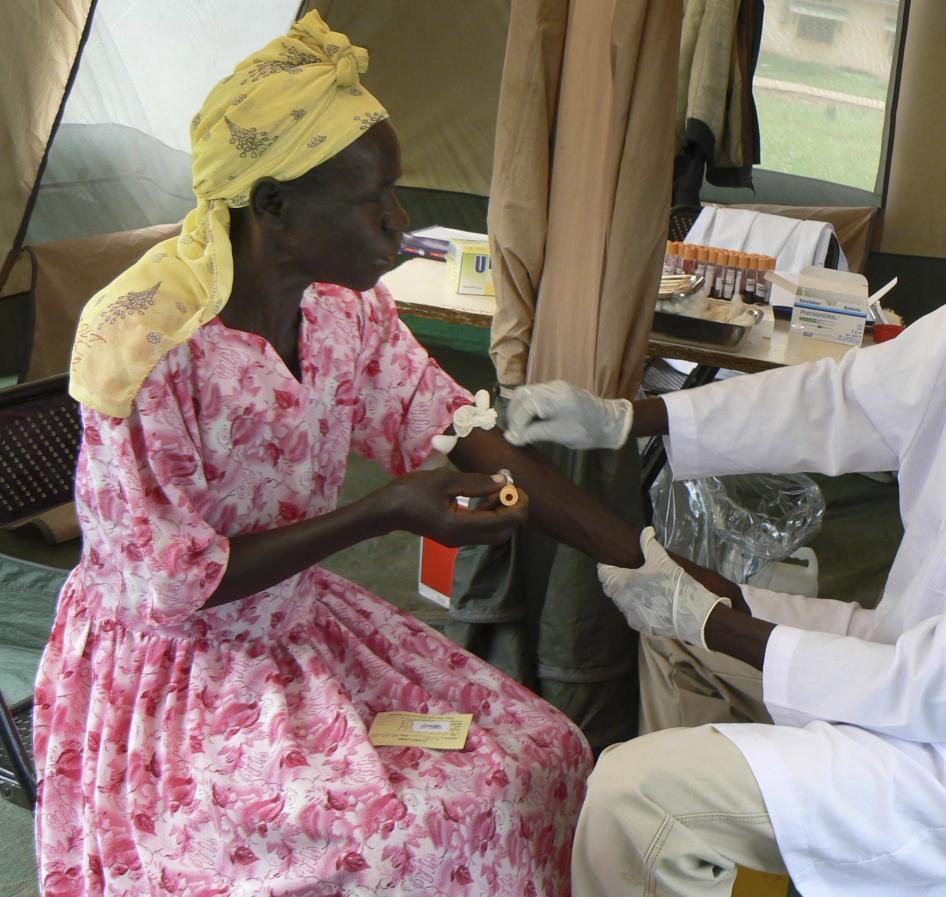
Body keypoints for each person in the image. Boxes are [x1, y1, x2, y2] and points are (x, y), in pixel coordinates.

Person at [505, 53, 946, 896]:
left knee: (637, 798)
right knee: (678, 649)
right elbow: (852, 399)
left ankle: (690, 825)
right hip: (907, 658)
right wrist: (631, 418)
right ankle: (724, 851)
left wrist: (721, 619)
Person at [33, 13, 651, 897]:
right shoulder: (148, 348)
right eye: (376, 199)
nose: (400, 224)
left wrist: (648, 565)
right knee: (403, 838)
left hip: (296, 625)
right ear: (274, 205)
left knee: (542, 752)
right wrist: (386, 508)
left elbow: (459, 431)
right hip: (181, 673)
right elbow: (170, 585)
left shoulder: (340, 311)